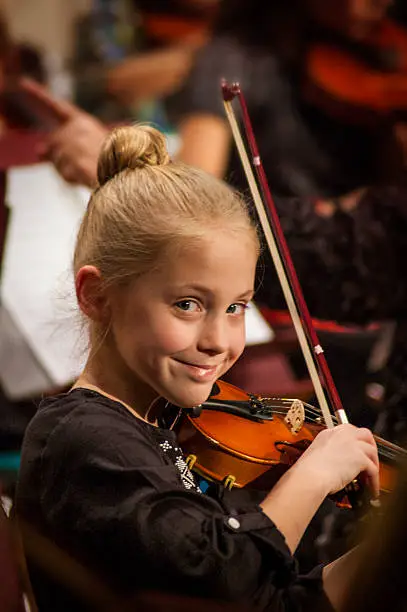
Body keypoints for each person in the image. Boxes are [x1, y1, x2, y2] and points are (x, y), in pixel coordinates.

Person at [15, 124, 379, 612]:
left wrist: (384, 556)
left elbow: (267, 600)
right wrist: (312, 476)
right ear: (97, 296)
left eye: (236, 308)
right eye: (188, 304)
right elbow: (224, 577)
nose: (218, 342)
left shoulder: (158, 424)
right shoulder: (84, 442)